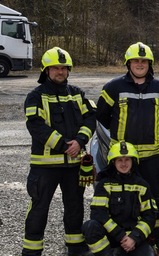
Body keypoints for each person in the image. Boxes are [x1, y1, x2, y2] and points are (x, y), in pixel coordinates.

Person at [95, 42, 159, 254]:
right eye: (136, 61)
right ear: (128, 63)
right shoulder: (113, 87)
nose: (140, 64)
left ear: (150, 64)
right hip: (123, 158)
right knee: (122, 196)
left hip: (152, 156)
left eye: (144, 61)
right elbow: (102, 115)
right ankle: (121, 236)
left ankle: (158, 238)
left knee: (156, 198)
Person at [22, 47, 96, 256]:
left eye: (64, 68)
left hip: (73, 165)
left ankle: (75, 247)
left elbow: (91, 117)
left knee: (75, 208)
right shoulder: (35, 96)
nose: (60, 72)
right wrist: (64, 145)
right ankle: (31, 251)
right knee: (39, 209)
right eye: (55, 68)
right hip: (44, 167)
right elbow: (35, 125)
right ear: (46, 70)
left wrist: (80, 141)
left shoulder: (76, 94)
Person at [82, 142, 156, 256]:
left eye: (127, 160)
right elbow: (98, 214)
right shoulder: (104, 185)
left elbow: (150, 216)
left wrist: (134, 237)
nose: (124, 164)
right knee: (90, 226)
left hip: (133, 238)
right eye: (119, 160)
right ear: (113, 162)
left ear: (133, 161)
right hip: (111, 237)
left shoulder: (142, 185)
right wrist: (121, 236)